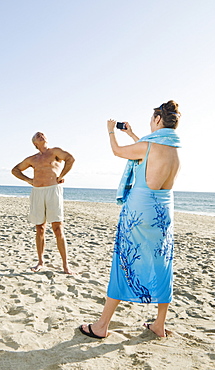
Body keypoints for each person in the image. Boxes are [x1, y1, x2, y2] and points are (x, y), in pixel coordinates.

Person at [80, 100, 181, 338]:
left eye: (151, 119)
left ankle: (102, 326)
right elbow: (147, 153)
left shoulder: (148, 146)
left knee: (123, 261)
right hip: (163, 214)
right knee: (162, 263)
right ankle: (159, 324)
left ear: (158, 120)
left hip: (139, 211)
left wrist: (110, 131)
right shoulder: (174, 150)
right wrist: (133, 134)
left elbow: (119, 152)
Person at [11, 132, 75, 274]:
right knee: (40, 228)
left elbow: (70, 159)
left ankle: (66, 265)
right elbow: (15, 170)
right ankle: (40, 262)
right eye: (37, 136)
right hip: (38, 192)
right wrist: (29, 180)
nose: (41, 135)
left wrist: (61, 176)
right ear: (35, 144)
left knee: (58, 228)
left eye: (42, 135)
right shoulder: (32, 159)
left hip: (53, 190)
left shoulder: (55, 152)